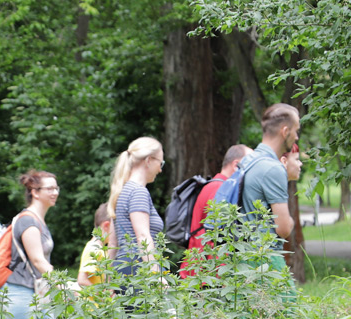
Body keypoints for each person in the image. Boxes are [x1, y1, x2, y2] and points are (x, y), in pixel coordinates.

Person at [240, 103, 301, 271]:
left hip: (242, 258)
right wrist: (290, 221)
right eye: (295, 131)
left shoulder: (249, 159)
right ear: (285, 131)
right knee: (288, 298)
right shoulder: (273, 168)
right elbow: (283, 228)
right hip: (265, 260)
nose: (296, 137)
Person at [179, 144, 252, 278]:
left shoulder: (214, 185)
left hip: (200, 269)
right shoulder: (220, 189)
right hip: (206, 273)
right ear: (236, 165)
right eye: (249, 163)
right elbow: (217, 234)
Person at [5, 170, 59, 319]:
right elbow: (37, 260)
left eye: (56, 188)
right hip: (21, 293)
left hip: (37, 293)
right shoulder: (28, 221)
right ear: (35, 192)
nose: (55, 193)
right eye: (49, 189)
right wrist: (64, 284)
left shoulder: (38, 220)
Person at [108, 137, 165, 276]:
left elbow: (112, 242)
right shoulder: (138, 192)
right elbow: (143, 236)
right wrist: (155, 274)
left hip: (123, 267)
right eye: (161, 163)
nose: (160, 170)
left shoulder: (121, 191)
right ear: (148, 160)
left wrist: (108, 280)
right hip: (139, 268)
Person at [77, 204, 112, 288]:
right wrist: (101, 294)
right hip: (94, 301)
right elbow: (82, 280)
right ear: (106, 226)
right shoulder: (93, 249)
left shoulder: (102, 249)